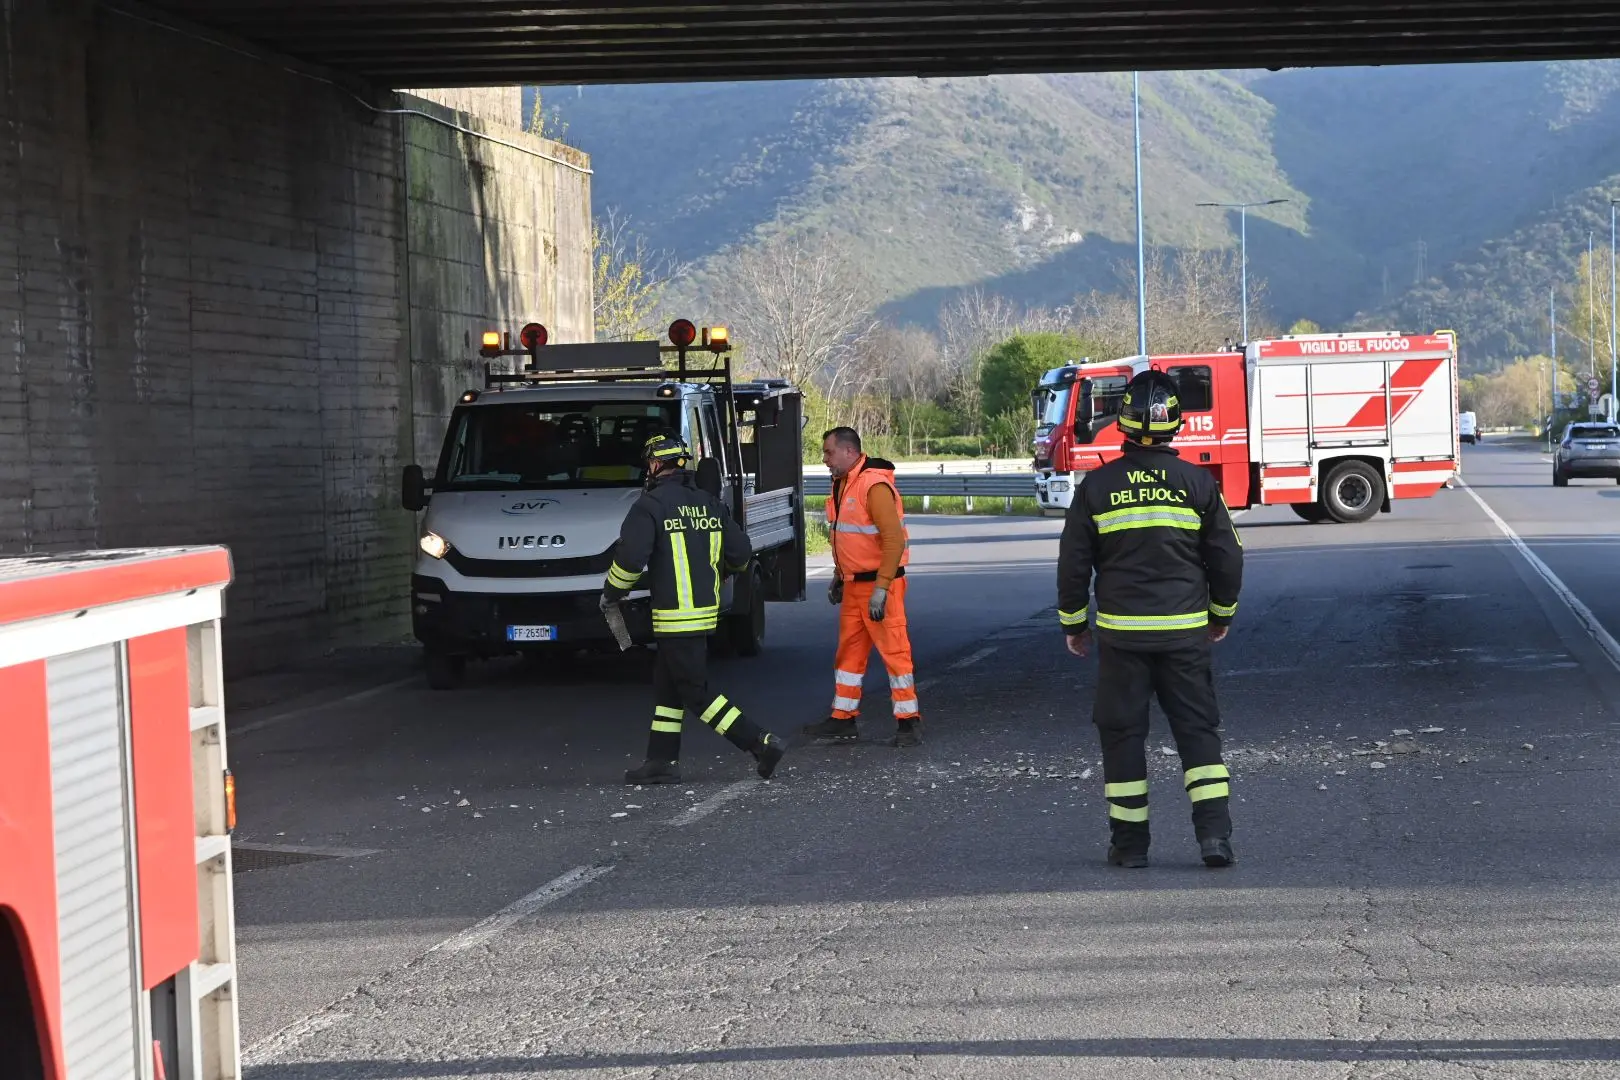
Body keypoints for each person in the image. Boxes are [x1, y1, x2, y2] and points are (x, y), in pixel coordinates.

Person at [1056, 370, 1244, 869]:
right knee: (1197, 732)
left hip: (1122, 641)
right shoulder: (1198, 482)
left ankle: (1131, 846)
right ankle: (1214, 839)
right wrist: (1220, 615)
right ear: (1176, 425)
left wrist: (1075, 626)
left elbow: (1073, 562)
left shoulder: (1097, 486)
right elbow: (1228, 556)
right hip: (1185, 635)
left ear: (1121, 423)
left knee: (1122, 736)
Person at [603, 432, 786, 784]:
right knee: (667, 686)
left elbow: (629, 560)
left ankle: (760, 743)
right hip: (704, 613)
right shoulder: (710, 503)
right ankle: (661, 761)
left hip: (674, 617)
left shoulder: (650, 506)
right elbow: (742, 554)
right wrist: (723, 572)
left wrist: (612, 592)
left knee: (696, 693)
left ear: (655, 465)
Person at [801, 426, 922, 748]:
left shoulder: (873, 484)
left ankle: (908, 723)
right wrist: (840, 576)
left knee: (895, 655)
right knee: (849, 657)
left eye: (828, 452)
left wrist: (881, 589)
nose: (824, 459)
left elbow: (893, 541)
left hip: (880, 586)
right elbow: (849, 537)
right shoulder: (843, 484)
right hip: (856, 587)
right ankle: (843, 720)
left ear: (849, 452)